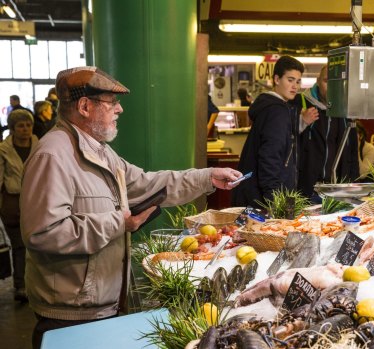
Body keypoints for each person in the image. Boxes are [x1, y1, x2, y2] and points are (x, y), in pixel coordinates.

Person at [20, 66, 242, 349]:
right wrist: (118, 223)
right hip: (70, 315)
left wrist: (206, 177)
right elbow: (43, 233)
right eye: (112, 103)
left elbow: (147, 183)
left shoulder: (99, 150)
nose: (120, 110)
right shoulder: (52, 155)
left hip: (101, 306)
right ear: (85, 106)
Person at [232, 56, 318, 207]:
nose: (295, 86)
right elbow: (270, 157)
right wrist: (275, 201)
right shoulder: (276, 111)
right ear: (277, 79)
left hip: (256, 194)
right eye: (290, 80)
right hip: (264, 199)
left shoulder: (276, 108)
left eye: (298, 81)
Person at [297, 65, 359, 201]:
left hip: (338, 190)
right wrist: (301, 122)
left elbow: (352, 151)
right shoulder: (301, 104)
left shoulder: (347, 111)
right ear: (318, 81)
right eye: (326, 81)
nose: (332, 87)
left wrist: (353, 186)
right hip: (307, 190)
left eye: (336, 82)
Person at [0, 109, 37, 303]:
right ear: (13, 129)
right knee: (19, 246)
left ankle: (34, 284)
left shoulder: (40, 146)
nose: (25, 129)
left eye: (28, 125)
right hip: (12, 203)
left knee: (37, 244)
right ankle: (21, 286)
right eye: (20, 126)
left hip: (36, 200)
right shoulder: (3, 150)